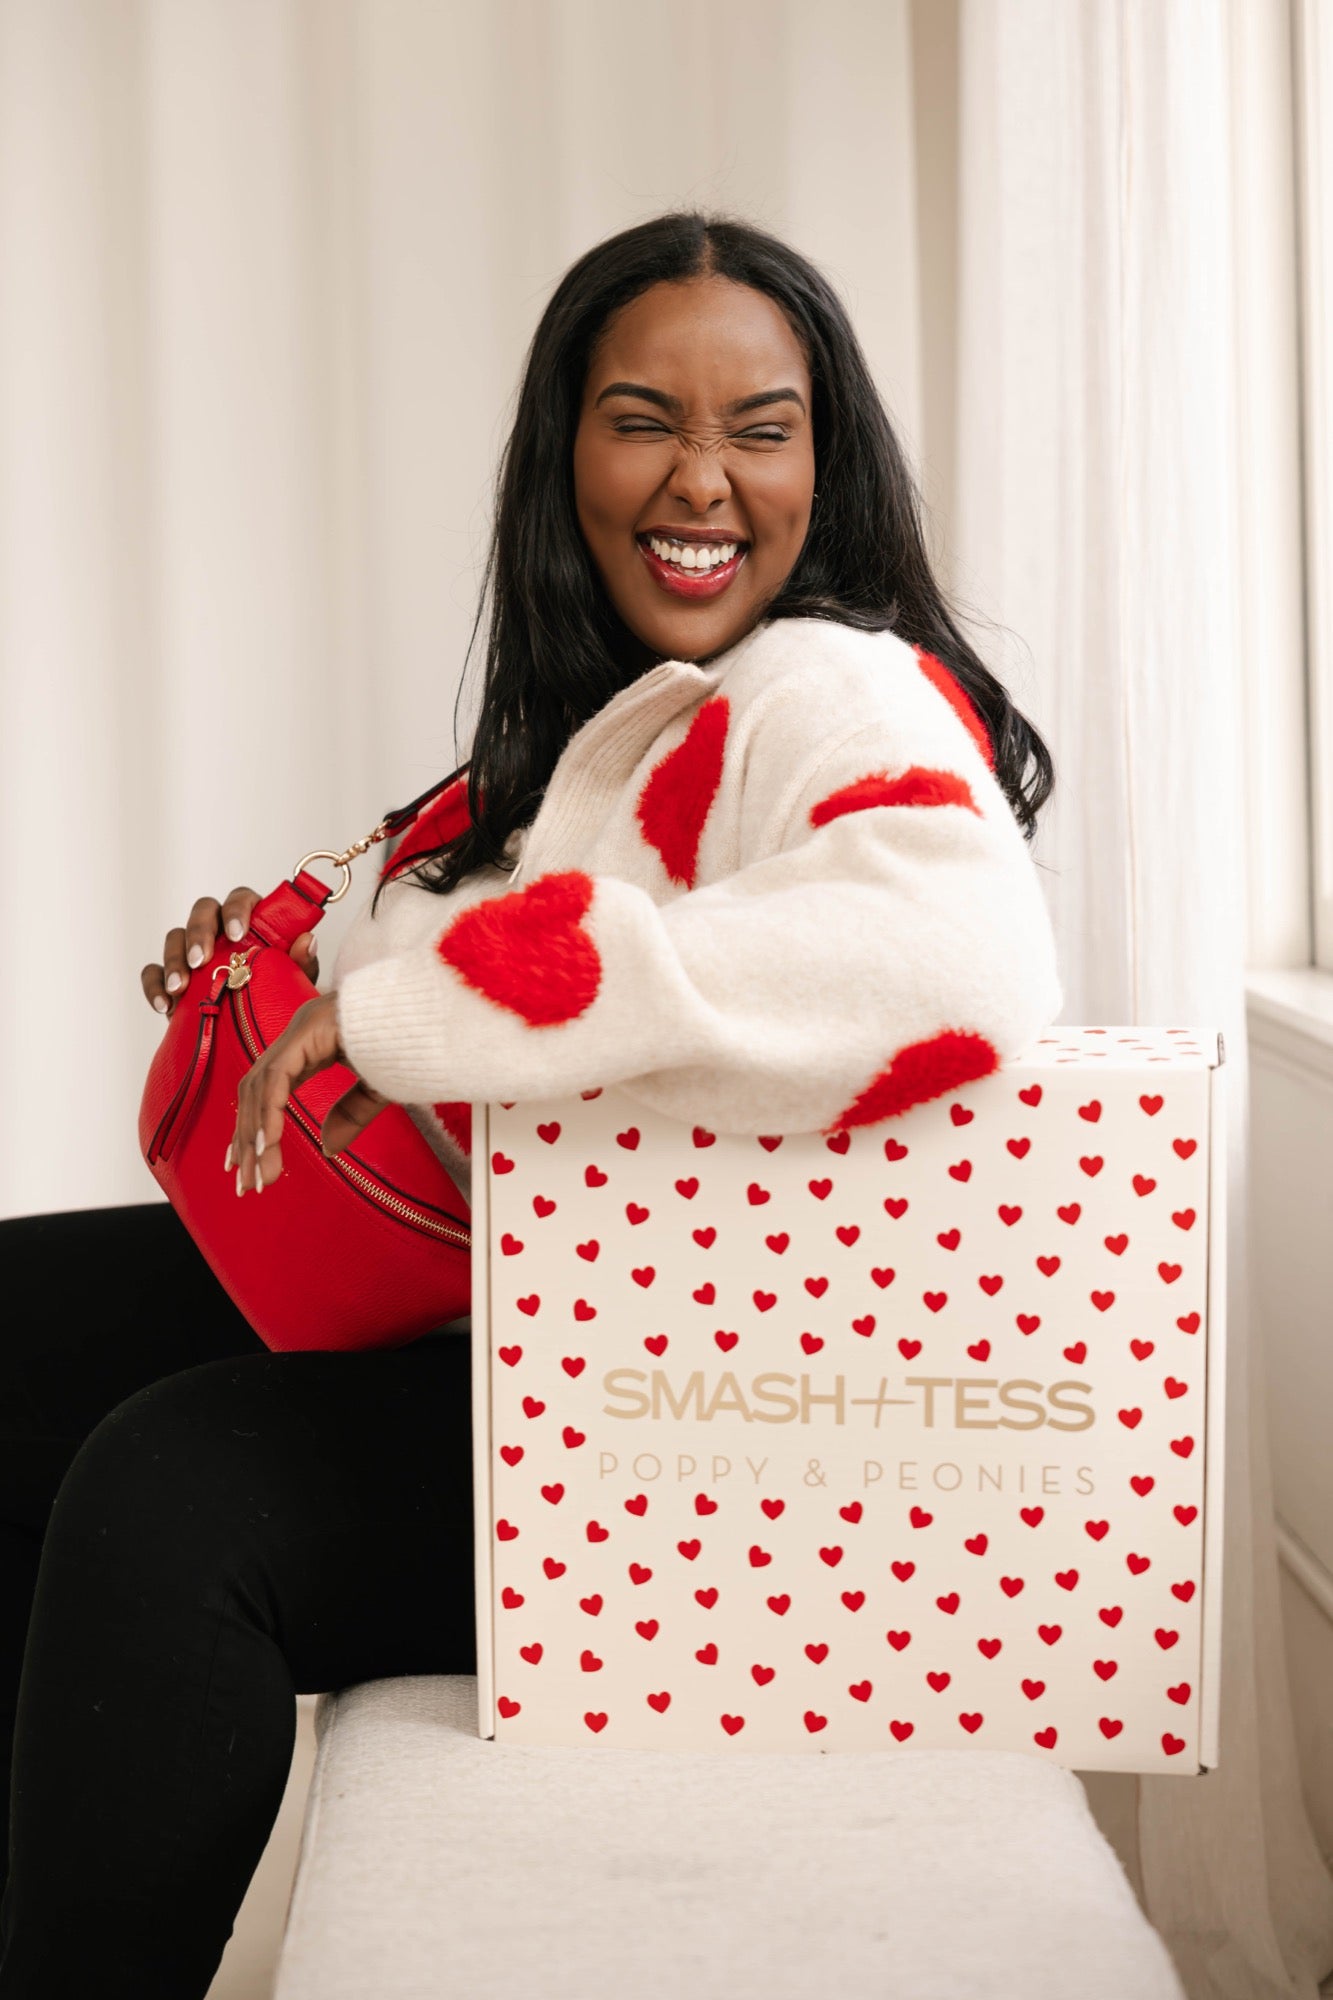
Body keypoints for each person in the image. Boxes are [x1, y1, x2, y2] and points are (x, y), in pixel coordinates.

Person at [0, 209, 1062, 1997]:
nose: (702, 481)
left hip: (692, 1421)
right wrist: (309, 985)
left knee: (170, 1496)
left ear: (831, 458)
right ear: (565, 445)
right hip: (546, 1320)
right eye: (644, 418)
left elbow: (956, 960)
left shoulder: (830, 682)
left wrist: (422, 1011)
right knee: (24, 1324)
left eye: (762, 426)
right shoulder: (627, 714)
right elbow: (558, 984)